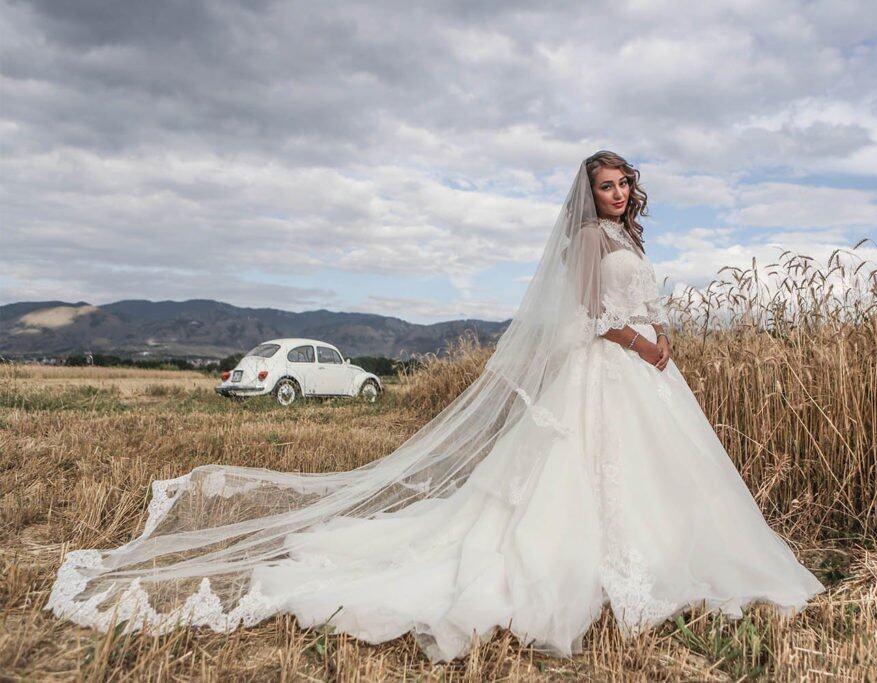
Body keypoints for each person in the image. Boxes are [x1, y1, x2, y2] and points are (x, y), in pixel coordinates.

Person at [46, 150, 825, 662]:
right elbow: (587, 316)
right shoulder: (590, 242)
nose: (617, 194)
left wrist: (663, 344)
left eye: (624, 183)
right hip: (617, 366)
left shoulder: (630, 241)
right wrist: (642, 345)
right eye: (605, 185)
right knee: (580, 479)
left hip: (651, 374)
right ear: (589, 195)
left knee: (659, 479)